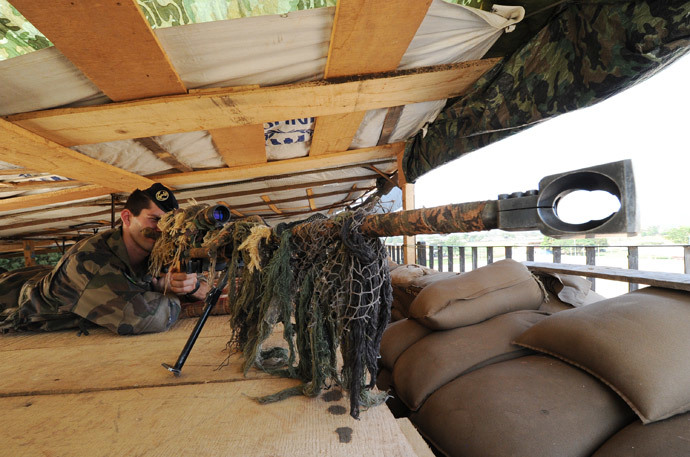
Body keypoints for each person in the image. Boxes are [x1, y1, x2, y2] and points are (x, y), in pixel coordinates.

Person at [0, 183, 209, 335]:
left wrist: (189, 286)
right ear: (127, 218)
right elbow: (143, 319)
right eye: (154, 220)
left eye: (169, 223)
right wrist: (170, 294)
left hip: (38, 276)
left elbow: (199, 284)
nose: (163, 230)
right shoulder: (91, 261)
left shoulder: (154, 248)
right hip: (9, 297)